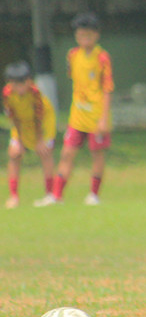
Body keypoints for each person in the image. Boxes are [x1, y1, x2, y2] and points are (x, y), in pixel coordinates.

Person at [38, 12, 114, 206]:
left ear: (96, 35)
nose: (84, 39)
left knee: (97, 155)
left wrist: (104, 118)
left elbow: (107, 89)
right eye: (80, 35)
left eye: (88, 35)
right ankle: (57, 195)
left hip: (96, 116)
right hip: (77, 117)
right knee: (66, 154)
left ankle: (94, 195)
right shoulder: (72, 55)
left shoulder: (102, 58)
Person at [3, 61, 57, 208]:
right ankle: (14, 196)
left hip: (43, 122)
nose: (20, 88)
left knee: (45, 153)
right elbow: (13, 117)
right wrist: (19, 140)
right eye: (16, 84)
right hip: (22, 123)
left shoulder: (35, 93)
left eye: (23, 83)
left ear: (29, 81)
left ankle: (49, 194)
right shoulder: (7, 94)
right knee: (14, 154)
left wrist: (40, 141)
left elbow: (38, 117)